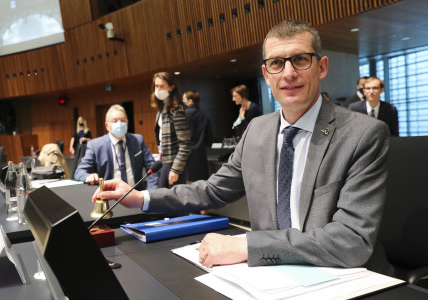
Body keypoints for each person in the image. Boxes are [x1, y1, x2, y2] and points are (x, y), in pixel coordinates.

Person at [93, 20, 394, 276]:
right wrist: (140, 197)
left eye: (300, 59)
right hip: (274, 276)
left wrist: (246, 245)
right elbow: (211, 191)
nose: (288, 73)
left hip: (345, 278)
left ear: (322, 67)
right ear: (266, 74)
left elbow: (352, 241)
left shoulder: (363, 134)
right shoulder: (257, 130)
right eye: (276, 63)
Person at [74, 104, 158, 190]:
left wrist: (150, 193)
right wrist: (88, 176)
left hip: (137, 194)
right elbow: (79, 172)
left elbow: (152, 167)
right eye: (115, 121)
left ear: (127, 123)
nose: (119, 123)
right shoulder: (95, 145)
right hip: (110, 196)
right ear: (107, 126)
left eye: (123, 120)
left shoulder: (138, 140)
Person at [152, 72, 191, 188]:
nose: (158, 89)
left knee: (172, 201)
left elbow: (185, 144)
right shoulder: (161, 109)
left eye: (161, 86)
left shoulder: (176, 111)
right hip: (165, 159)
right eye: (156, 86)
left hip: (173, 163)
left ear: (171, 88)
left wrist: (176, 169)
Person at [182, 91, 214, 182]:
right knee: (202, 182)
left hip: (186, 154)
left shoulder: (184, 114)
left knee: (188, 184)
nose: (182, 101)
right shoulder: (205, 116)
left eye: (184, 99)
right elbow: (210, 137)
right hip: (201, 154)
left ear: (190, 101)